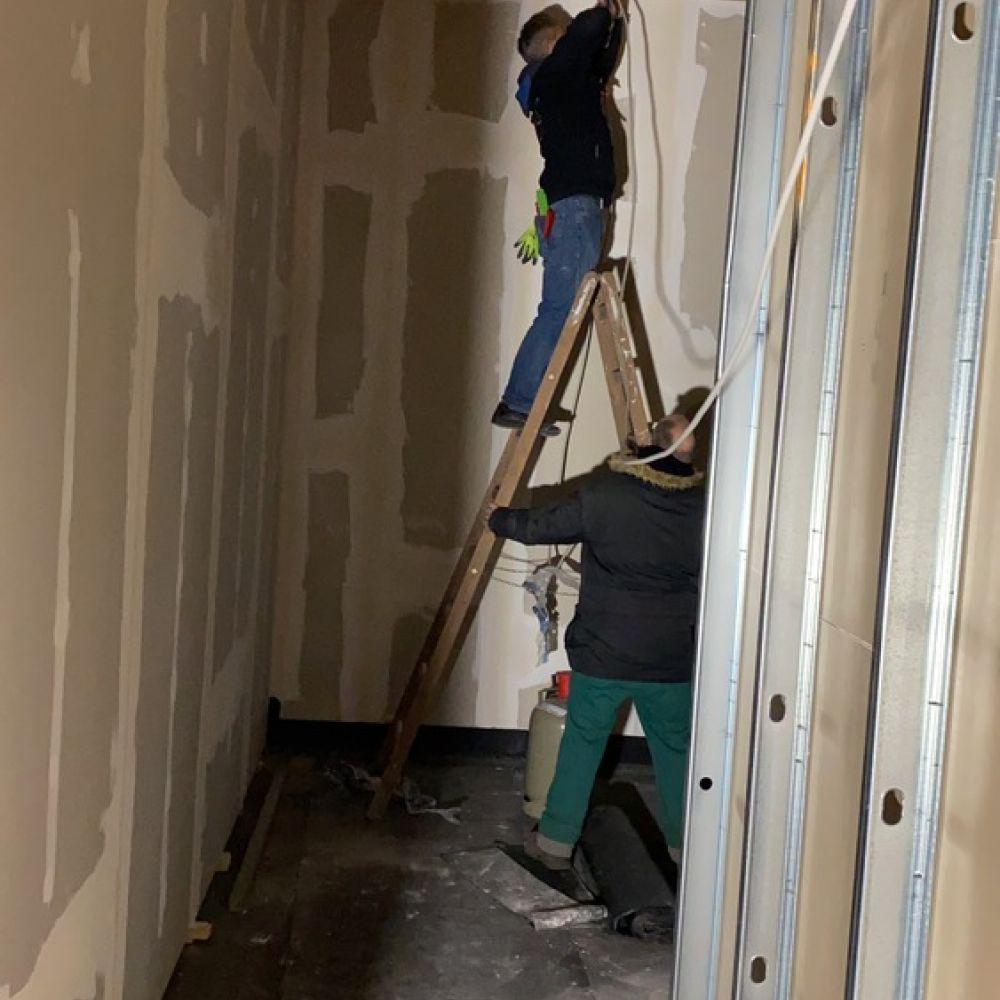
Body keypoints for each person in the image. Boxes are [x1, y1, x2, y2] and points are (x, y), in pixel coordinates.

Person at [488, 411, 707, 870]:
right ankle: (687, 853)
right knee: (676, 754)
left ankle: (554, 845)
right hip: (671, 656)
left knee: (582, 745)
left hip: (605, 651)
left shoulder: (608, 493)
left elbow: (539, 527)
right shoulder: (706, 506)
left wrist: (499, 519)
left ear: (655, 442)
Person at [492, 1, 625, 436]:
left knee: (561, 307)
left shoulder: (562, 85)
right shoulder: (553, 75)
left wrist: (615, 21)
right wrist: (602, 12)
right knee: (557, 309)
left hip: (577, 208)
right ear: (553, 45)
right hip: (573, 209)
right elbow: (588, 31)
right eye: (563, 36)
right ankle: (518, 401)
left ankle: (520, 400)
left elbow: (600, 57)